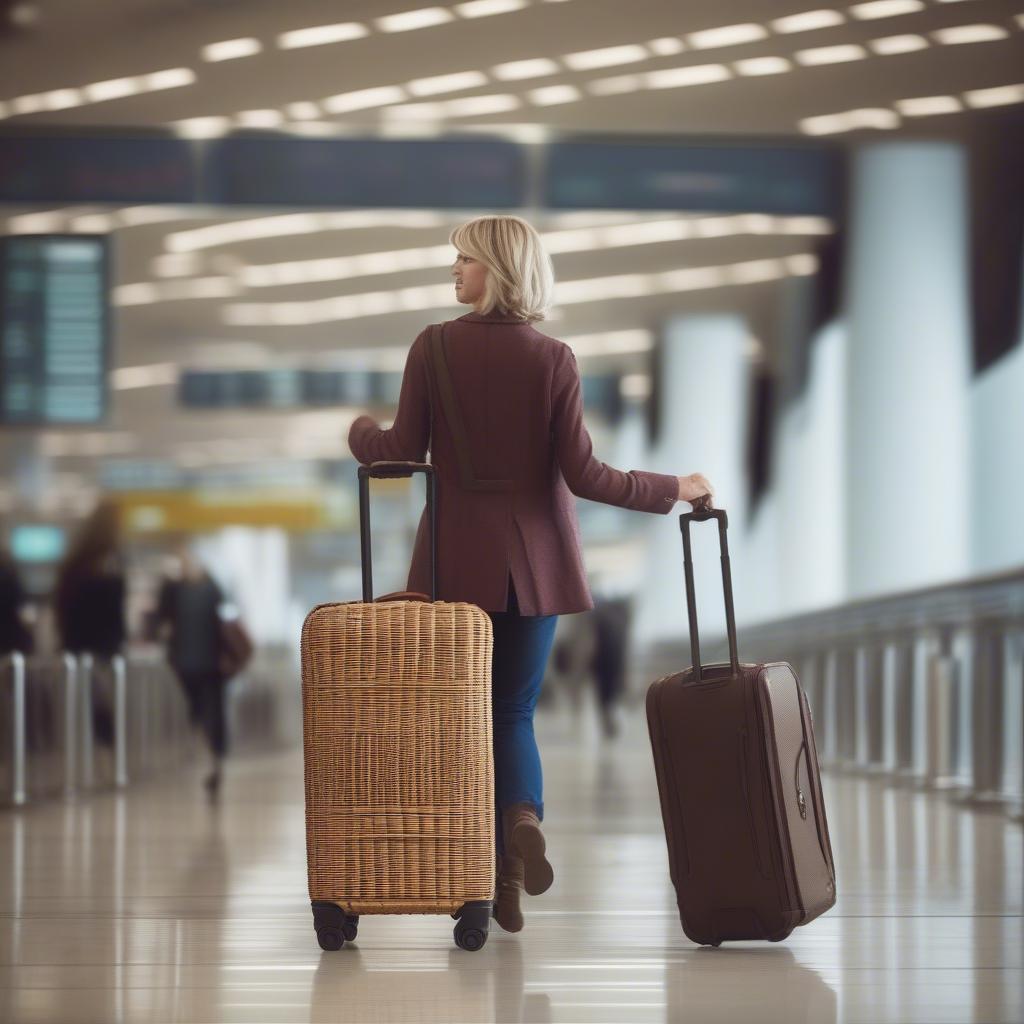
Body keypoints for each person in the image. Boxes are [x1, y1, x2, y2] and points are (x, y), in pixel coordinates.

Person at [347, 214, 714, 933]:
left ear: (499, 268)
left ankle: (482, 894)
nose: (453, 271)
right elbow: (587, 476)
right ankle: (520, 825)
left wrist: (357, 431)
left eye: (465, 261)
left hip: (453, 566)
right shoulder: (554, 358)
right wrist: (675, 486)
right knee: (512, 714)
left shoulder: (433, 348)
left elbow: (395, 448)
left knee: (458, 725)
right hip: (535, 570)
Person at [154, 543, 231, 798]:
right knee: (198, 714)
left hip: (209, 666)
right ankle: (206, 758)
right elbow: (159, 621)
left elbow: (226, 622)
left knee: (211, 716)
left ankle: (213, 761)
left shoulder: (212, 589)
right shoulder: (175, 592)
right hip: (186, 666)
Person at [54, 500, 126, 747]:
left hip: (76, 646)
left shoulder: (76, 562)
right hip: (102, 649)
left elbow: (63, 608)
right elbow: (113, 612)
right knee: (102, 707)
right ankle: (105, 753)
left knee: (87, 706)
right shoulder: (109, 562)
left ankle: (92, 755)